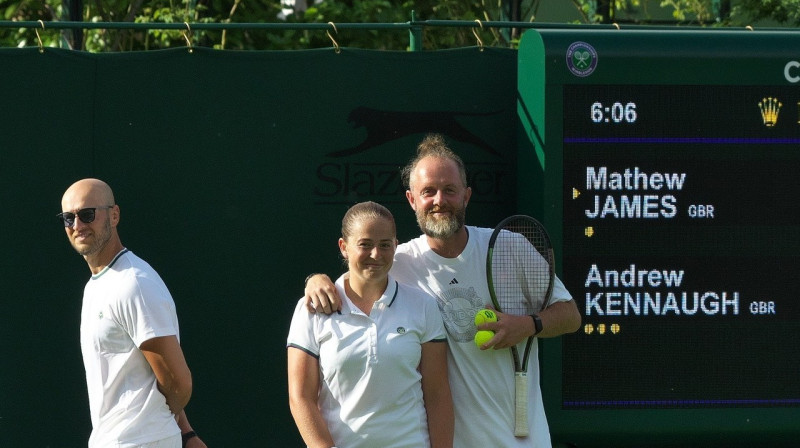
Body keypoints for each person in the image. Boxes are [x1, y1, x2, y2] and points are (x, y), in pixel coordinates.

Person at [304, 134, 581, 448]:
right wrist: (316, 280)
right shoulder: (398, 261)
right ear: (412, 200)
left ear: (466, 196)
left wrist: (527, 325)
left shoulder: (510, 247)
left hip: (522, 441)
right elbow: (350, 282)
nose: (439, 200)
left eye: (449, 190)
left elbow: (570, 315)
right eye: (428, 192)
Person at [287, 201, 454, 448]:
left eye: (385, 245)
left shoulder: (422, 305)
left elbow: (438, 395)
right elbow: (300, 397)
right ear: (344, 247)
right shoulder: (310, 309)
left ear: (396, 246)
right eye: (365, 244)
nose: (376, 254)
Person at [58, 178, 206, 448]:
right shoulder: (99, 284)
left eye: (87, 214)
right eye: (69, 218)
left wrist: (157, 427)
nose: (77, 226)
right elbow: (147, 374)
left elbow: (177, 381)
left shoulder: (133, 283)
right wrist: (185, 431)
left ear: (114, 215)